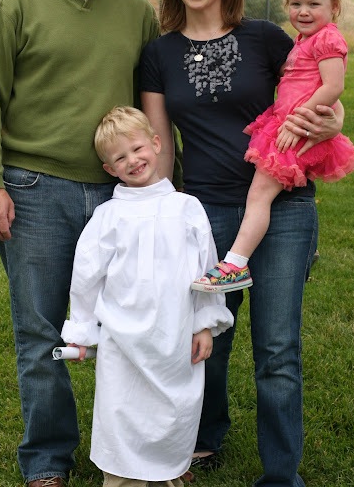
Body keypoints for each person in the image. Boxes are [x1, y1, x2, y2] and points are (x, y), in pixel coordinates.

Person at [0, 0, 159, 487]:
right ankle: (48, 460)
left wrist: (165, 188)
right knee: (42, 332)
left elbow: (155, 104)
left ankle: (136, 452)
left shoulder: (136, 12)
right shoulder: (14, 4)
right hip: (32, 190)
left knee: (134, 328)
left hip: (118, 194)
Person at [139, 0, 345, 487]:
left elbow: (314, 93)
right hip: (204, 211)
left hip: (284, 207)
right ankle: (203, 441)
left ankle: (281, 474)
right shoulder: (159, 53)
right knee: (209, 336)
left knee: (277, 348)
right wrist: (160, 211)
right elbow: (161, 146)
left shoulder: (266, 38)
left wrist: (335, 120)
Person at [60, 106, 234, 487]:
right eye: (120, 158)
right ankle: (122, 479)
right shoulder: (107, 216)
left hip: (175, 334)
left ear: (156, 143)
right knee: (121, 409)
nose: (132, 161)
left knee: (173, 410)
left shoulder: (186, 208)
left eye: (137, 148)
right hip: (122, 341)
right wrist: (82, 331)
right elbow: (86, 276)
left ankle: (166, 475)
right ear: (109, 169)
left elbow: (207, 269)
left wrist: (205, 323)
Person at [192, 0, 354, 294]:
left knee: (258, 194)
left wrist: (297, 121)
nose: (303, 11)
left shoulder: (327, 39)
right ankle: (280, 253)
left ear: (334, 5)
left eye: (314, 4)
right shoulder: (305, 39)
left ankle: (235, 264)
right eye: (295, 3)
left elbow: (333, 87)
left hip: (295, 129)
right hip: (285, 123)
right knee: (261, 194)